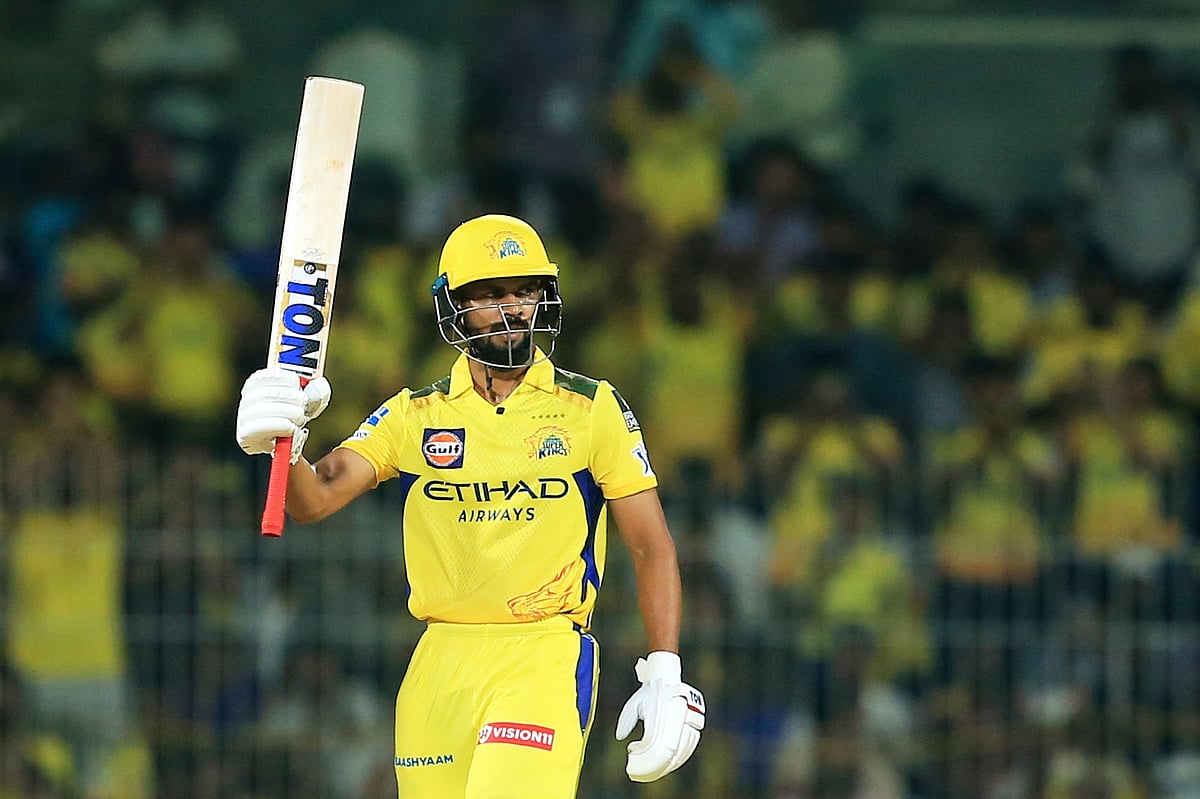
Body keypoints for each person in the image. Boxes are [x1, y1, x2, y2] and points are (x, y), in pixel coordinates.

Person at [234, 213, 705, 797]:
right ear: (453, 306)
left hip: (543, 652)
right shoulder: (416, 414)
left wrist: (665, 668)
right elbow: (314, 499)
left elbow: (650, 544)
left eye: (524, 292)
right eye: (488, 295)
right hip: (440, 661)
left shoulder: (591, 408)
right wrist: (283, 443)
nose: (511, 309)